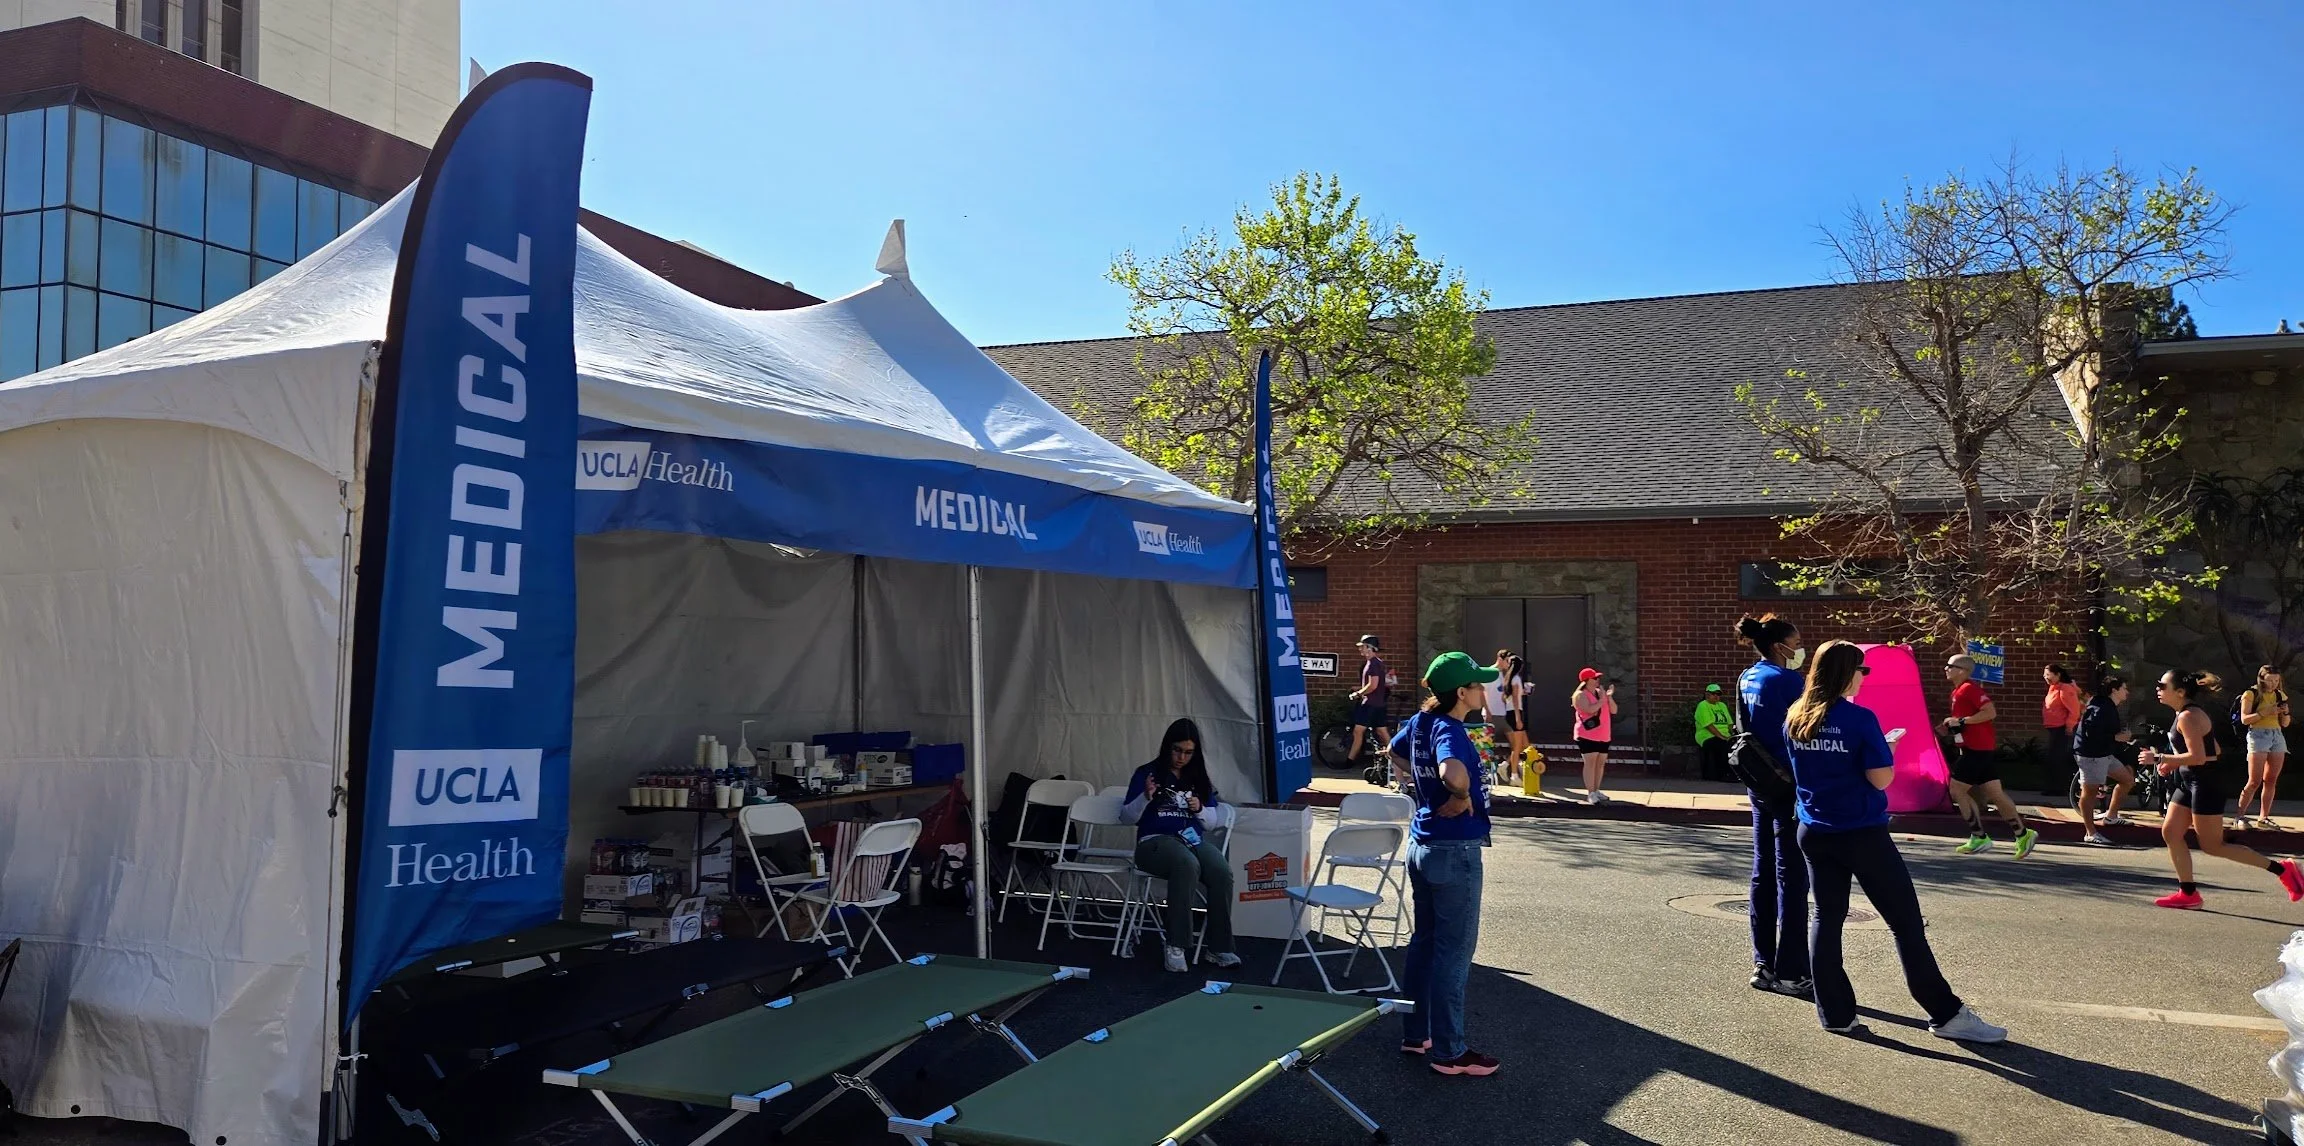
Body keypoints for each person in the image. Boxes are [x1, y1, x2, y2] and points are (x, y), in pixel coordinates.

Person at [1784, 640, 2008, 1043]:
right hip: (1862, 831)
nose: (1864, 677)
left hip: (1814, 830)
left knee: (1826, 918)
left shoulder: (1795, 717)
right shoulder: (1858, 719)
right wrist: (1888, 748)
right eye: (1862, 669)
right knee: (1905, 924)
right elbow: (1880, 779)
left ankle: (1834, 1013)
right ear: (1845, 673)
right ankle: (1945, 1013)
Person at [1390, 651, 1501, 1076]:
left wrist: (1416, 786)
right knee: (1454, 953)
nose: (1483, 689)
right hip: (1454, 851)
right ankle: (1451, 1052)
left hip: (1423, 845)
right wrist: (1458, 794)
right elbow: (1453, 772)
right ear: (1461, 693)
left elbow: (1395, 753)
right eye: (1477, 684)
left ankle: (1416, 1035)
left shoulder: (1420, 722)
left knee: (1425, 944)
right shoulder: (1450, 730)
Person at [2142, 670, 2304, 910]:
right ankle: (2188, 893)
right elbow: (2214, 750)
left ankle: (2283, 870)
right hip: (2190, 783)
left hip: (2205, 784)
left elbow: (2198, 757)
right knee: (2171, 832)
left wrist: (2159, 758)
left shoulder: (2188, 716)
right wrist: (2172, 762)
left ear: (2180, 692)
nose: (2158, 689)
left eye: (2162, 685)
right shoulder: (2185, 714)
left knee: (2213, 845)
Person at [1121, 719, 1241, 972]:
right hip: (1154, 842)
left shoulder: (1197, 776)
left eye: (1188, 752)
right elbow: (1126, 818)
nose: (1181, 757)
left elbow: (1210, 823)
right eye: (1177, 750)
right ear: (1167, 747)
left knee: (1221, 870)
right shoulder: (1148, 773)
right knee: (1186, 864)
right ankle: (1176, 944)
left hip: (1192, 839)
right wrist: (1145, 797)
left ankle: (1219, 947)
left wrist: (1199, 809)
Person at [1734, 614, 1811, 1000]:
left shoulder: (1747, 677)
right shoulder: (1789, 680)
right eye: (1796, 642)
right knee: (1792, 876)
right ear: (1779, 645)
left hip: (1760, 782)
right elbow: (1804, 732)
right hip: (1789, 784)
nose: (1799, 649)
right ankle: (1793, 971)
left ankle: (1763, 963)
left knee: (1763, 871)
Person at [1941, 654, 2038, 858]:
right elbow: (1965, 721)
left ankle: (1979, 837)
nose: (1945, 669)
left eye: (1949, 666)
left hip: (1975, 751)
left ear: (1962, 670)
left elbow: (1990, 712)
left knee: (1956, 790)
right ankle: (2023, 834)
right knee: (1995, 793)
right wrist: (1951, 725)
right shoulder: (1958, 691)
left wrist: (1963, 721)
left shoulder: (1969, 689)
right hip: (1979, 749)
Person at [2071, 669, 2137, 846]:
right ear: (2114, 690)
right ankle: (2090, 832)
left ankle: (2111, 816)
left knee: (2127, 780)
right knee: (2090, 792)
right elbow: (2090, 732)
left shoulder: (2107, 705)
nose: (2127, 692)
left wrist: (2119, 737)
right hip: (2090, 755)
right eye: (2124, 688)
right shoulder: (2101, 707)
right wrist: (2117, 737)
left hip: (2104, 753)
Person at [2233, 666, 2292, 831]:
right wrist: (2266, 712)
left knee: (2271, 779)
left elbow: (2285, 724)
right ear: (2261, 678)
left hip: (2277, 735)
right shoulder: (2251, 694)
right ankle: (2239, 816)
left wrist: (2285, 712)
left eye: (2276, 680)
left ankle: (2263, 817)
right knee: (2254, 780)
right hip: (2258, 735)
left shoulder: (2280, 695)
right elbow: (2245, 719)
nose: (2273, 684)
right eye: (2270, 680)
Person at [1571, 668, 1618, 805]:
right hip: (1587, 734)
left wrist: (1608, 697)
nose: (1598, 680)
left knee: (1600, 763)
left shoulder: (1600, 693)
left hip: (1603, 734)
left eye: (1598, 678)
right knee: (1590, 762)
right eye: (1595, 678)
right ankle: (1590, 793)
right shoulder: (1580, 695)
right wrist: (1603, 699)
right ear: (1587, 681)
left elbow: (1614, 710)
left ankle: (1596, 790)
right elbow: (1590, 710)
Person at [1347, 635, 1395, 768]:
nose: (1360, 649)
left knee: (1358, 731)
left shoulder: (1373, 664)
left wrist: (1358, 693)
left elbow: (1373, 686)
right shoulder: (1377, 662)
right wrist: (1359, 688)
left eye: (1362, 647)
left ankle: (1349, 761)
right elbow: (1375, 684)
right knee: (1382, 732)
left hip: (1369, 704)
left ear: (1369, 648)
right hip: (1378, 703)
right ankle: (1396, 757)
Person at [2041, 663, 2084, 789]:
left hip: (2061, 729)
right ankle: (2054, 786)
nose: (2045, 677)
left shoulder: (2065, 688)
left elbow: (2074, 710)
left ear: (2058, 675)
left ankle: (2057, 787)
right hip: (2054, 728)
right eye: (2044, 675)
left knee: (2057, 759)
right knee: (2054, 758)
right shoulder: (2054, 687)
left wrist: (2069, 726)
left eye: (2048, 675)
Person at [1695, 683, 1735, 783]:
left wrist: (1733, 735)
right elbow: (1709, 725)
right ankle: (1723, 775)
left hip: (1724, 735)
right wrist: (1722, 737)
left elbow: (1729, 723)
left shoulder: (1722, 705)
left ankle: (1735, 774)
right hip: (1707, 736)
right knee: (1721, 745)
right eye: (1714, 694)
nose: (1716, 696)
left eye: (1718, 694)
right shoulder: (1703, 705)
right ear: (1707, 694)